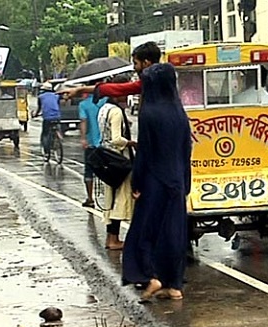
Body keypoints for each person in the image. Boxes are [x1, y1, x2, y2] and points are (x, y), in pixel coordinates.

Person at [122, 62, 192, 301]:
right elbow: (186, 150)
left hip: (154, 179)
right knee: (173, 232)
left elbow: (145, 152)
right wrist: (186, 181)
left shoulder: (149, 113)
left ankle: (151, 277)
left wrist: (137, 182)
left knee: (144, 232)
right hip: (177, 180)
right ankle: (174, 285)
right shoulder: (179, 112)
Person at [97, 84, 135, 250]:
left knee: (110, 199)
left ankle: (110, 239)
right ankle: (114, 239)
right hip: (119, 159)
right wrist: (132, 143)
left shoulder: (104, 109)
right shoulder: (117, 112)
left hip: (107, 158)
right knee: (120, 199)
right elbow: (116, 139)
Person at [63, 41, 161, 102]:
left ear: (146, 63)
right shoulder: (151, 81)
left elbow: (119, 89)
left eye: (136, 63)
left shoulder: (156, 81)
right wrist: (80, 90)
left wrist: (81, 90)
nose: (134, 68)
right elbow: (115, 88)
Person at [78, 85, 108, 208]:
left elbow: (84, 121)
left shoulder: (84, 105)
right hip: (106, 143)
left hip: (91, 143)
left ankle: (90, 199)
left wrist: (83, 138)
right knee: (108, 170)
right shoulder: (105, 101)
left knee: (88, 171)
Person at [34, 82, 62, 160]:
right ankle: (57, 137)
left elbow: (39, 109)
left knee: (45, 134)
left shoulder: (40, 97)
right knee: (57, 127)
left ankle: (46, 152)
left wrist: (35, 114)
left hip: (47, 118)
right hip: (57, 117)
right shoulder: (56, 96)